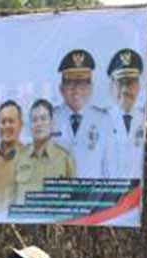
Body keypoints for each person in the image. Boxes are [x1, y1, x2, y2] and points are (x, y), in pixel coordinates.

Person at [53, 49, 110, 177]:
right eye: (70, 83)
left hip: (91, 195)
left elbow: (108, 169)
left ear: (91, 88)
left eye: (83, 83)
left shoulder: (104, 120)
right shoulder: (49, 118)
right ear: (61, 89)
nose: (76, 89)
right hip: (57, 193)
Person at [13, 99, 75, 205]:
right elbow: (11, 198)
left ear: (52, 123)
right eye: (34, 120)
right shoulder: (19, 156)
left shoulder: (65, 159)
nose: (39, 124)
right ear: (30, 126)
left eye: (43, 119)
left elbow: (73, 200)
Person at [105, 48, 146, 181]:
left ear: (139, 86)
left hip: (137, 195)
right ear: (111, 86)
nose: (124, 90)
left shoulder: (145, 120)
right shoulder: (101, 120)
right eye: (120, 83)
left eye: (130, 83)